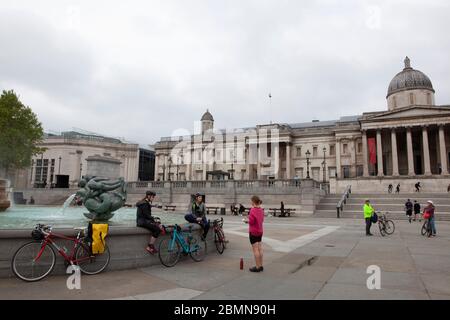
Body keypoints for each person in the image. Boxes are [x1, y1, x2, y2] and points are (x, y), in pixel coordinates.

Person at [243, 196, 264, 272]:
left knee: (255, 250)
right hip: (260, 231)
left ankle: (257, 267)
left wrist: (246, 221)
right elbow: (261, 220)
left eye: (251, 201)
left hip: (253, 231)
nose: (250, 202)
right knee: (260, 248)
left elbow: (251, 222)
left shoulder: (252, 210)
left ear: (253, 201)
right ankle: (261, 265)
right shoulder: (261, 210)